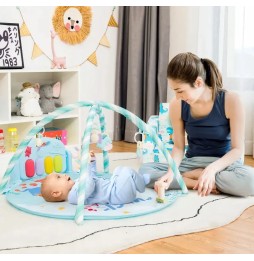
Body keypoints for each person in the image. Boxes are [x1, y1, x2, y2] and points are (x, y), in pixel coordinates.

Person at [139, 52, 254, 197]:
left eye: (180, 91)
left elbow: (237, 150)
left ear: (198, 82)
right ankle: (195, 181)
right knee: (145, 171)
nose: (177, 97)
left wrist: (211, 170)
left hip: (223, 165)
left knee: (250, 181)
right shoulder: (177, 105)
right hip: (192, 162)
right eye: (175, 92)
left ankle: (188, 179)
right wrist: (171, 172)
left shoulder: (231, 101)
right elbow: (179, 147)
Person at [41, 151, 150, 205]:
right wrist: (86, 166)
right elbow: (89, 185)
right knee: (127, 171)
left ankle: (137, 181)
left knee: (119, 169)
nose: (64, 175)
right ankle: (142, 184)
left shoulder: (76, 184)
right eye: (59, 177)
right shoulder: (73, 197)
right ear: (56, 193)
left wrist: (92, 162)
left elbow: (92, 176)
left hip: (114, 186)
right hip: (116, 194)